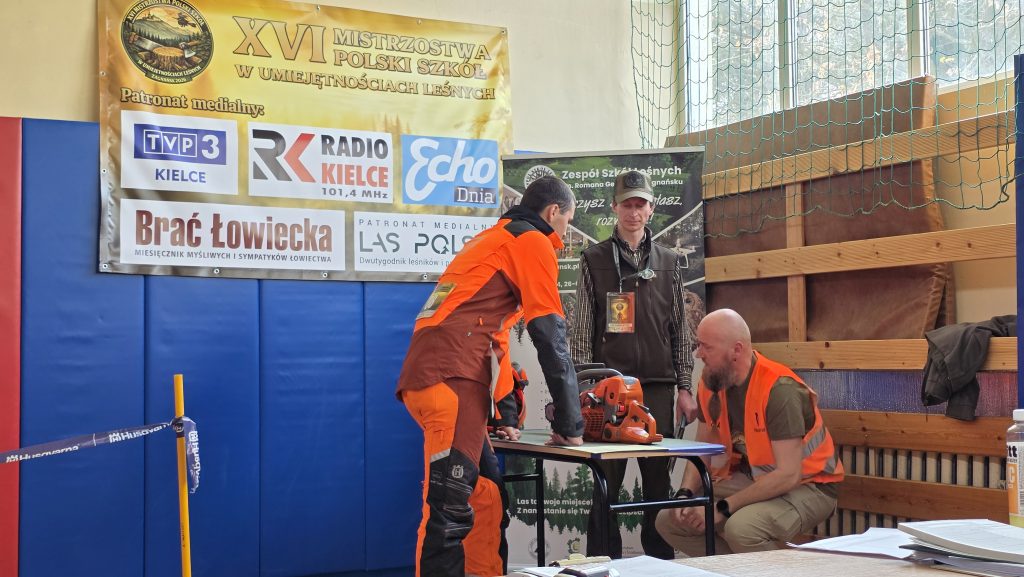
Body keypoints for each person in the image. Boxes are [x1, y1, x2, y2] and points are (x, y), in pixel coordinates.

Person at [396, 175, 585, 577]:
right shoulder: (532, 241)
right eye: (567, 223)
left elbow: (496, 338)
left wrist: (504, 414)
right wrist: (570, 425)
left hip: (439, 376)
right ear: (554, 212)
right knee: (449, 510)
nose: (565, 235)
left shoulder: (491, 241)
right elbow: (549, 332)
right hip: (453, 379)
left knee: (486, 497)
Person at [570, 169, 699, 560]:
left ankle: (659, 564)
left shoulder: (669, 262)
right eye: (627, 204)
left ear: (651, 209)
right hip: (609, 390)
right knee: (605, 487)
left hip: (658, 388)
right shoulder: (593, 259)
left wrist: (685, 386)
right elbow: (581, 331)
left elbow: (680, 329)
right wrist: (583, 388)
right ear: (614, 207)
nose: (633, 211)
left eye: (640, 204)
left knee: (658, 488)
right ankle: (600, 564)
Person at [655, 309, 845, 556]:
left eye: (706, 347)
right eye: (698, 345)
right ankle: (735, 570)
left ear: (736, 349)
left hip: (810, 486)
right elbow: (702, 450)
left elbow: (788, 475)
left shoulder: (779, 390)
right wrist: (685, 495)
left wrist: (722, 508)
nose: (698, 354)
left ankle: (773, 571)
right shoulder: (711, 382)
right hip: (757, 480)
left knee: (742, 530)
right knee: (669, 520)